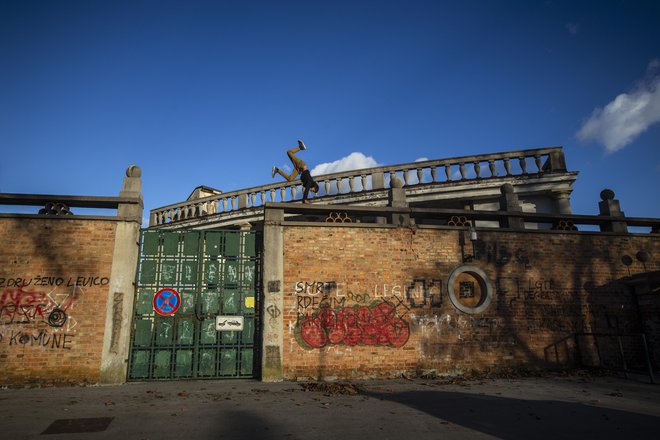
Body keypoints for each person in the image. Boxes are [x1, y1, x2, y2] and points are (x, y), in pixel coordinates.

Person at [272, 140, 319, 204]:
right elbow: (307, 190)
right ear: (314, 187)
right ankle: (301, 147)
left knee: (290, 179)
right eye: (313, 190)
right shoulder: (310, 182)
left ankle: (277, 170)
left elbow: (306, 188)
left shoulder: (309, 183)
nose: (312, 191)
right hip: (301, 165)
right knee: (289, 152)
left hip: (299, 169)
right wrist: (305, 199)